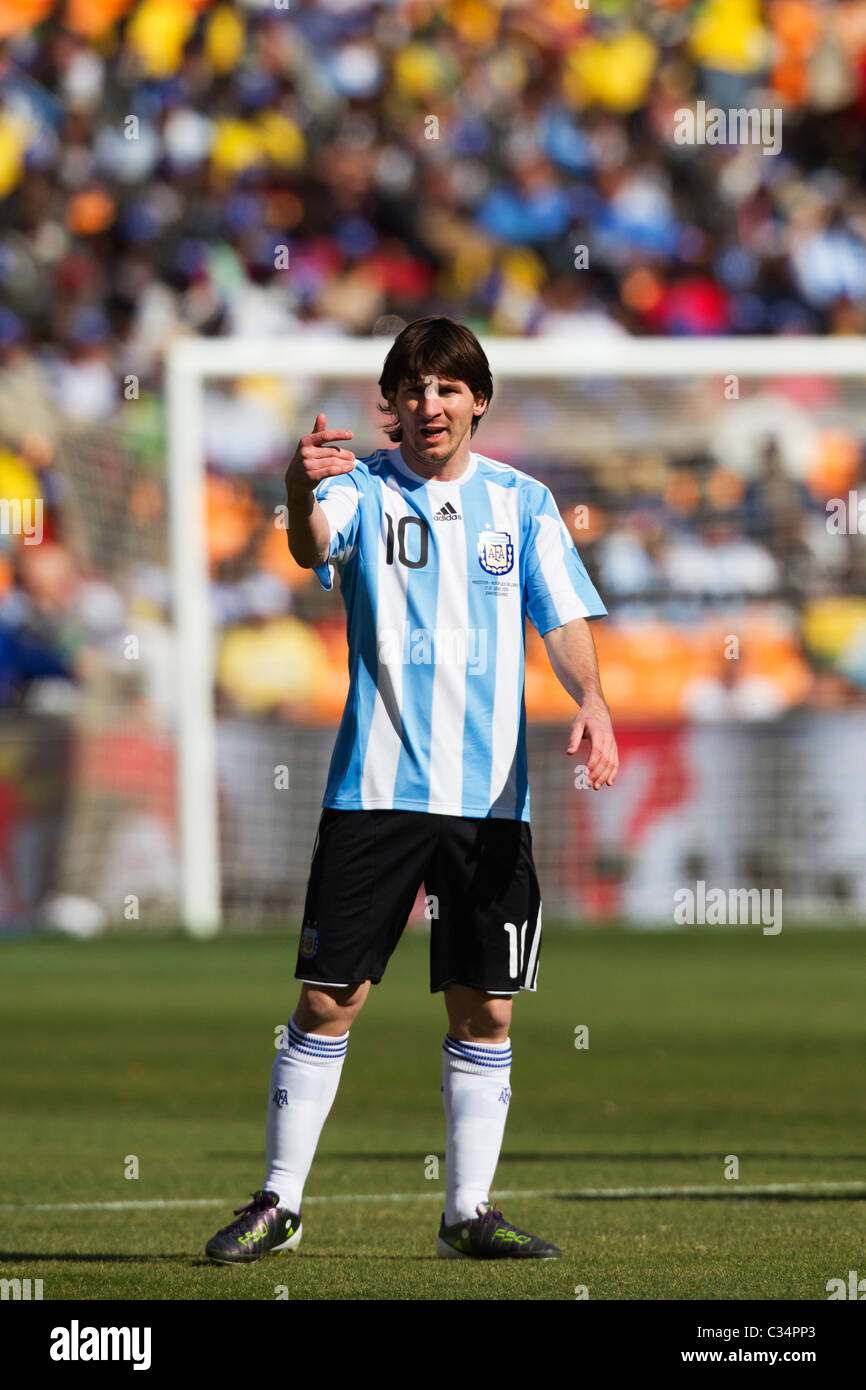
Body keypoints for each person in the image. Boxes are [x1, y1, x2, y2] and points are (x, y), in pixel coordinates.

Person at [205, 316, 619, 1265]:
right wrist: (297, 482)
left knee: (487, 1007)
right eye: (412, 389)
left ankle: (466, 1214)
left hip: (491, 805)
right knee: (328, 999)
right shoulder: (356, 490)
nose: (429, 404)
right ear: (390, 406)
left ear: (477, 400)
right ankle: (280, 1201)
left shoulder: (523, 504)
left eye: (447, 387)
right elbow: (312, 547)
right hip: (375, 792)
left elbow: (561, 618)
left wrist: (591, 698)